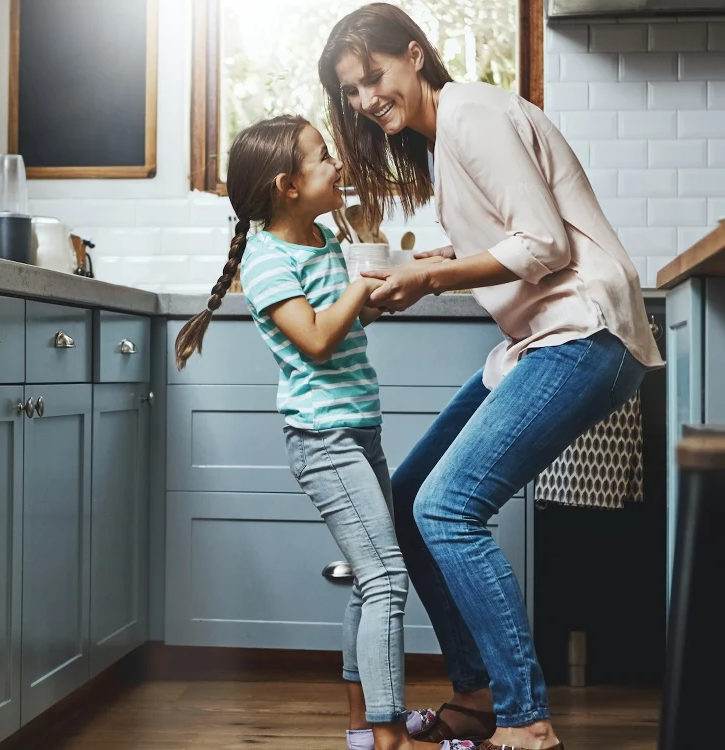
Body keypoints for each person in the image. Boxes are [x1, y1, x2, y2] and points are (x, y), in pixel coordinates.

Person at [317, 4, 664, 750]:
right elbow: (508, 235)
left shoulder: (470, 114)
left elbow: (541, 244)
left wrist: (430, 281)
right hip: (541, 339)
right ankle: (475, 696)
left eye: (373, 77)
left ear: (414, 56)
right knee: (408, 498)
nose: (366, 99)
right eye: (350, 91)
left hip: (583, 332)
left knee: (446, 507)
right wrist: (427, 267)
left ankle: (525, 719)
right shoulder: (445, 138)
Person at [174, 114, 473, 750]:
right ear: (288, 184)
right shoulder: (266, 259)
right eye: (323, 157)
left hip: (358, 429)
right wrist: (363, 284)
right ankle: (388, 733)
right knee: (388, 577)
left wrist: (418, 269)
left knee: (372, 579)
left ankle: (360, 731)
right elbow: (314, 340)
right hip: (323, 440)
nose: (337, 164)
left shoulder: (321, 239)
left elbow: (349, 318)